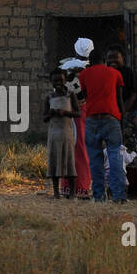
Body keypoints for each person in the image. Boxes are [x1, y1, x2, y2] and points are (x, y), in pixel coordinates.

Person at [78, 46, 127, 203]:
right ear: (105, 61)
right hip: (111, 117)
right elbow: (120, 99)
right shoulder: (115, 74)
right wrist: (122, 119)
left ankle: (99, 195)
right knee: (115, 157)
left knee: (95, 159)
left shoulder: (84, 75)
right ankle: (119, 196)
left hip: (92, 119)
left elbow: (85, 95)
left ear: (90, 62)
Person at [108, 46, 137, 199]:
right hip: (117, 116)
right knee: (119, 152)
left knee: (133, 152)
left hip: (131, 115)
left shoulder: (127, 72)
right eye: (109, 58)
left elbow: (133, 94)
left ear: (123, 59)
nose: (112, 61)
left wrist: (123, 114)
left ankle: (135, 189)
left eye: (115, 57)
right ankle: (121, 187)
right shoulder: (108, 74)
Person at [59, 38, 93, 199]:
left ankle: (66, 187)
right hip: (81, 110)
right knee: (82, 147)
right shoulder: (90, 69)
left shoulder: (64, 67)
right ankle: (82, 187)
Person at [43, 70, 78, 199]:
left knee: (69, 162)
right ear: (51, 81)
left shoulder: (70, 95)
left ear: (65, 81)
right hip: (53, 133)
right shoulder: (49, 97)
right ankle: (56, 192)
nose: (58, 83)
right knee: (54, 161)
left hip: (67, 132)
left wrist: (66, 113)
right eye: (55, 80)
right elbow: (44, 117)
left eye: (61, 80)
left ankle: (72, 192)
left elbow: (77, 113)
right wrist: (50, 114)